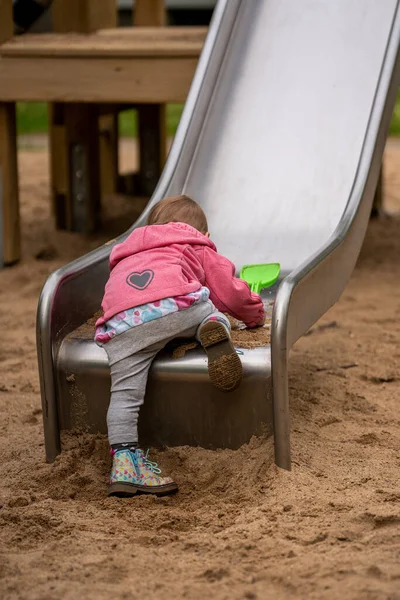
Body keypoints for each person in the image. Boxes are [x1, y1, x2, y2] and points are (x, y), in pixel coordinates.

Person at [95, 195, 265, 497]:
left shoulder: (129, 249)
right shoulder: (194, 243)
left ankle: (123, 464)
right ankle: (211, 329)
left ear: (151, 228)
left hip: (122, 323)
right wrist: (254, 314)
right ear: (205, 235)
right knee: (209, 307)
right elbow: (230, 294)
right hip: (174, 307)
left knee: (123, 394)